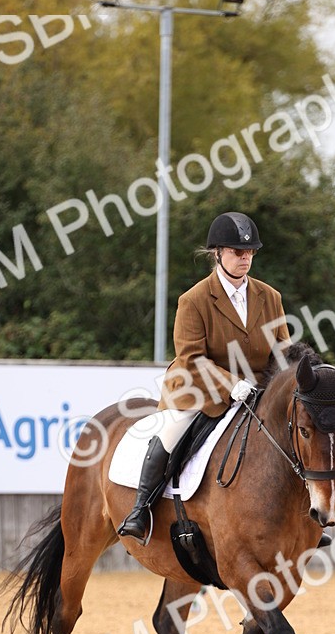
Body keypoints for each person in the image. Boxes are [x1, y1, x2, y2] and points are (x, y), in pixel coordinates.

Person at [118, 212, 290, 541]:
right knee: (172, 431)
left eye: (250, 252)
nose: (245, 258)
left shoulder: (270, 297)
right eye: (237, 252)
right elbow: (191, 357)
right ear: (218, 254)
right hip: (200, 388)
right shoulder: (194, 300)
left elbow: (282, 351)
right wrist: (231, 384)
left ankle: (304, 516)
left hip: (257, 390)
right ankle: (142, 509)